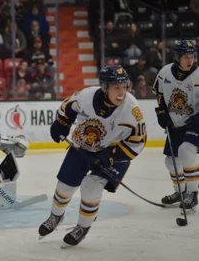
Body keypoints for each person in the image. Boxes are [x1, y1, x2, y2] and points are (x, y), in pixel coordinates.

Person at [39, 65, 146, 247]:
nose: (122, 92)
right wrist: (62, 123)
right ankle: (56, 216)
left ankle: (83, 226)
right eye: (116, 88)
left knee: (91, 186)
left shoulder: (131, 109)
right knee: (64, 186)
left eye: (124, 87)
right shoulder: (86, 96)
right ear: (105, 88)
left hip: (113, 153)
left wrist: (113, 156)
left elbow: (139, 139)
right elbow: (67, 107)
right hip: (83, 147)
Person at [152, 40, 199, 211]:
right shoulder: (165, 72)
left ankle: (193, 194)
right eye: (186, 57)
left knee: (186, 151)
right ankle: (180, 191)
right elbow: (159, 93)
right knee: (171, 161)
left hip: (194, 124)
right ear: (177, 58)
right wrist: (162, 112)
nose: (190, 60)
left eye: (192, 56)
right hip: (175, 124)